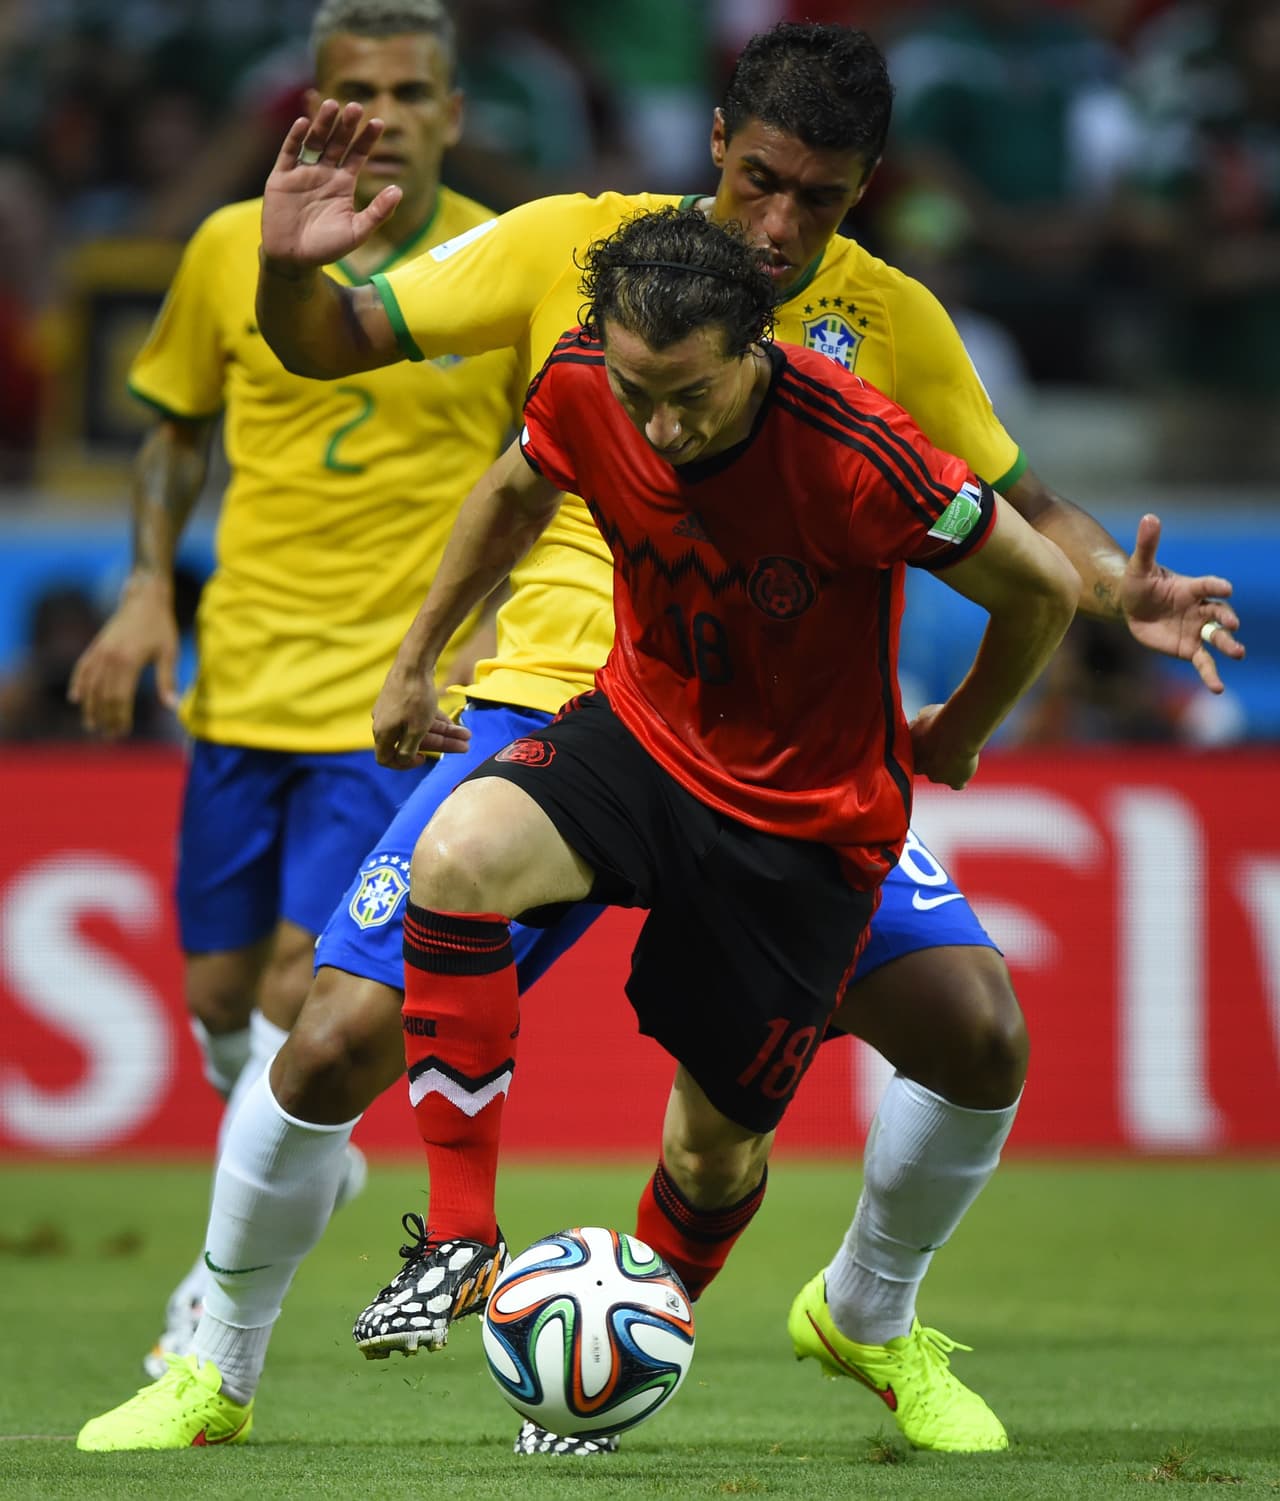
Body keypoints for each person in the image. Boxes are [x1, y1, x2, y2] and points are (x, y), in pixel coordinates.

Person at [77, 21, 1244, 1458]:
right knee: (325, 1043)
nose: (780, 224)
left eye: (820, 199)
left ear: (865, 187)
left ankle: (868, 1312)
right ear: (711, 143)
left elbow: (1020, 509)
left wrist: (1120, 587)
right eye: (760, 181)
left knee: (977, 1036)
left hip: (789, 765)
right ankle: (216, 1366)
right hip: (575, 711)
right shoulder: (572, 251)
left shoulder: (888, 332)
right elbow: (341, 354)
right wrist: (286, 265)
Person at [67, 0, 521, 1382]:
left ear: (453, 109)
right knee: (218, 997)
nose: (380, 110)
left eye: (409, 88)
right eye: (354, 86)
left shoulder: (504, 265)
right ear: (312, 101)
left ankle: (210, 1311)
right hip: (239, 682)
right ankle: (295, 1167)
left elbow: (546, 471)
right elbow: (172, 433)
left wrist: (496, 636)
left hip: (391, 702)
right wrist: (150, 585)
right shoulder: (228, 249)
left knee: (287, 992)